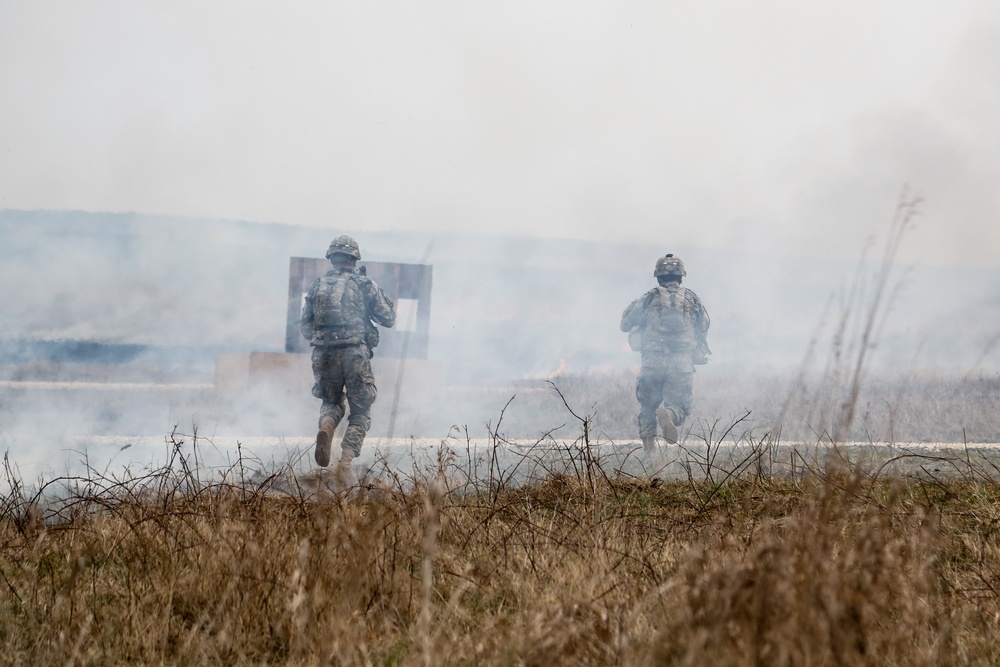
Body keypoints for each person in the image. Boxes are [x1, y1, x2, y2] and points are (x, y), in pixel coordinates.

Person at [300, 235, 396, 479]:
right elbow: (388, 319)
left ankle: (327, 426)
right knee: (361, 410)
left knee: (331, 402)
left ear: (331, 258)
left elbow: (305, 328)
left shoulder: (316, 285)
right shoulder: (363, 284)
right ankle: (344, 463)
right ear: (354, 259)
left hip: (323, 354)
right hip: (354, 353)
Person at [620, 254, 710, 453]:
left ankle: (649, 454)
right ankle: (668, 414)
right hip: (681, 361)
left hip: (652, 360)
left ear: (658, 277)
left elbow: (624, 324)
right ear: (681, 277)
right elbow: (704, 325)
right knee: (680, 405)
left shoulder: (649, 297)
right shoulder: (692, 298)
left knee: (647, 406)